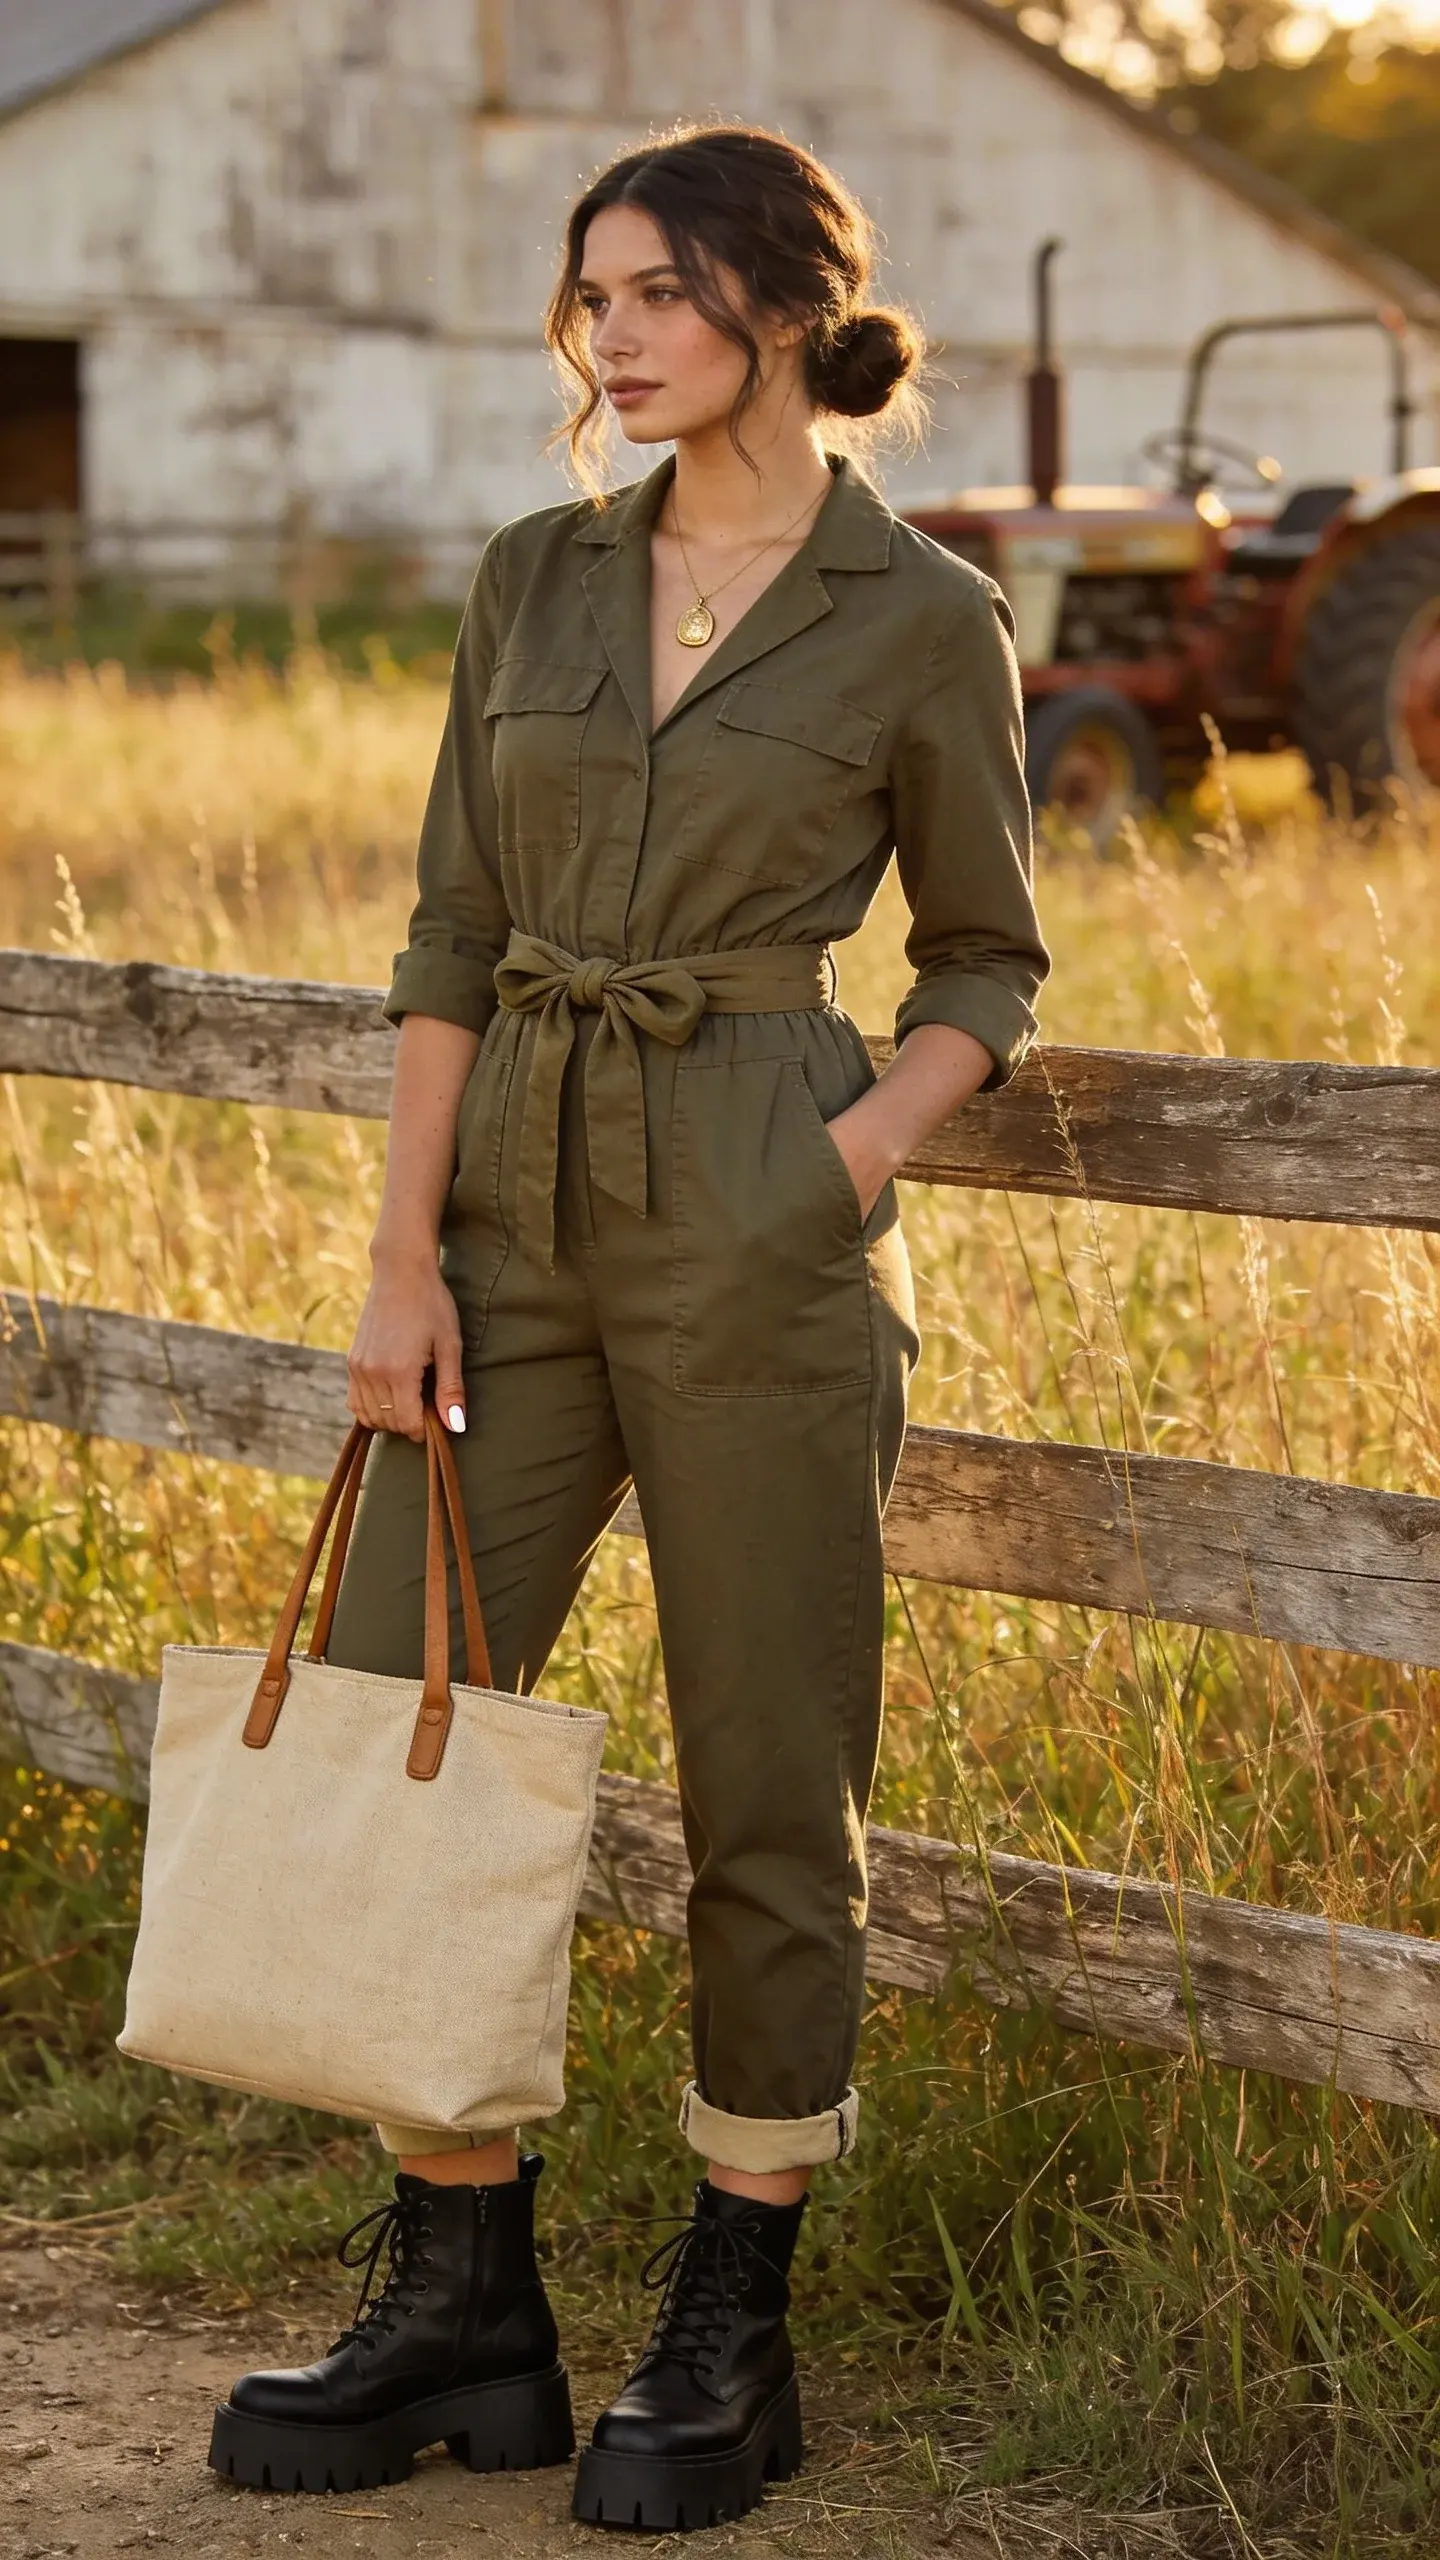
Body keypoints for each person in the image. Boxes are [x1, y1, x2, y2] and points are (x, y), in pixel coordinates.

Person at [211, 122, 1048, 2530]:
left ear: (786, 301)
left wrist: (836, 1165)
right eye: (591, 297)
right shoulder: (532, 581)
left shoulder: (919, 615)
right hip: (505, 1227)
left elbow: (985, 956)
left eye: (662, 291)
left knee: (771, 1780)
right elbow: (451, 927)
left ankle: (730, 2318)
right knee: (399, 1700)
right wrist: (397, 1262)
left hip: (761, 1225)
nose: (616, 337)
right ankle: (462, 2279)